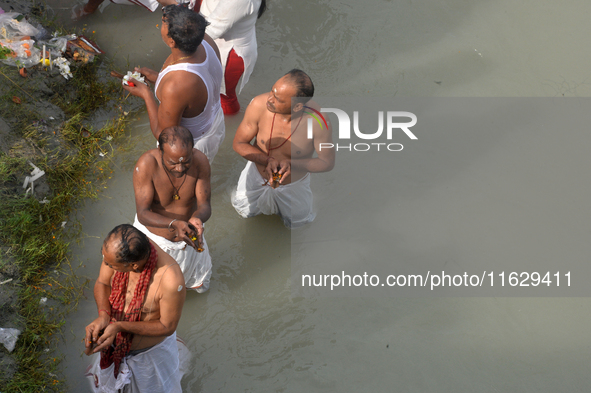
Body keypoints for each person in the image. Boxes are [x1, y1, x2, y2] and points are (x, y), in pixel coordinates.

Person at [84, 224, 186, 392]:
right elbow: (102, 282)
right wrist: (104, 316)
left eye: (111, 265)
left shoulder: (170, 280)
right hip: (114, 345)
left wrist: (120, 326)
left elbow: (167, 326)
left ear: (133, 267)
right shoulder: (115, 252)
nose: (106, 265)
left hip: (149, 358)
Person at [231, 69, 335, 228]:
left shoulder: (318, 121)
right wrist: (267, 160)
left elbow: (326, 162)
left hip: (293, 186)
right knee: (244, 213)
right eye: (272, 91)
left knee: (298, 224)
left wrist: (291, 163)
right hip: (256, 177)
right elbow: (239, 143)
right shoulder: (259, 104)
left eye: (277, 99)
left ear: (297, 106)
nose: (270, 99)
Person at [124, 5, 225, 164]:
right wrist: (159, 78)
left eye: (164, 22)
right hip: (215, 122)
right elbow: (193, 93)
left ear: (172, 41)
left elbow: (165, 136)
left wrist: (146, 94)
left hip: (189, 146)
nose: (161, 22)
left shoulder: (176, 86)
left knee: (184, 187)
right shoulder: (206, 40)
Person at [133, 126, 213, 292]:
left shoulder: (200, 162)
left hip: (188, 239)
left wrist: (196, 218)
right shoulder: (147, 164)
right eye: (173, 162)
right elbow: (143, 213)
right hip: (154, 240)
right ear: (160, 151)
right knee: (150, 290)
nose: (180, 168)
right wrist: (174, 223)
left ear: (193, 150)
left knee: (194, 286)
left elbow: (205, 205)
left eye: (186, 161)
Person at [200, 0, 267, 115]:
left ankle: (229, 123)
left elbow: (212, 30)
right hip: (213, 42)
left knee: (224, 97)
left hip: (228, 54)